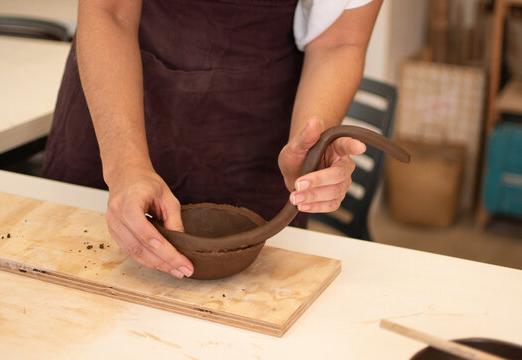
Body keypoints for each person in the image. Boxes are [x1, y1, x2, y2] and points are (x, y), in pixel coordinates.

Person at [42, 0, 382, 279]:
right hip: (117, 106)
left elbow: (339, 40)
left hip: (255, 131)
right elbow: (108, 10)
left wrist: (307, 145)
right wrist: (124, 167)